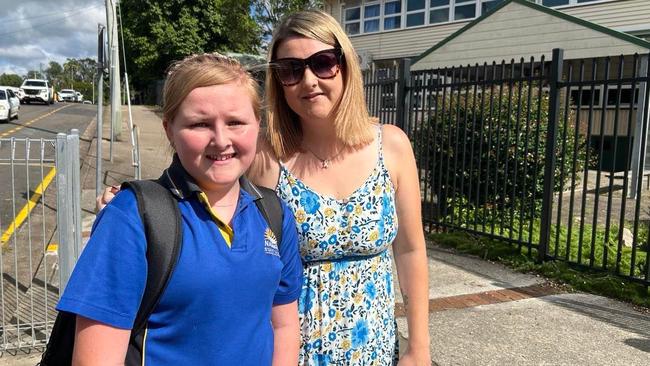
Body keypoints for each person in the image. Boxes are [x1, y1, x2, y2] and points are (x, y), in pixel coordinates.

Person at [99, 10, 430, 365]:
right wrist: (133, 204)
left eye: (322, 63)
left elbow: (410, 250)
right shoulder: (266, 157)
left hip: (376, 348)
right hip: (293, 350)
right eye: (291, 69)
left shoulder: (390, 146)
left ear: (346, 65)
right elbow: (208, 199)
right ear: (278, 81)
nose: (308, 80)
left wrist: (419, 347)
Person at [60, 53, 303, 365]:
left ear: (258, 125)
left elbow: (283, 325)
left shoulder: (273, 212)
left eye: (236, 122)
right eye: (200, 124)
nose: (221, 139)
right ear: (169, 129)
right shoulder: (133, 216)